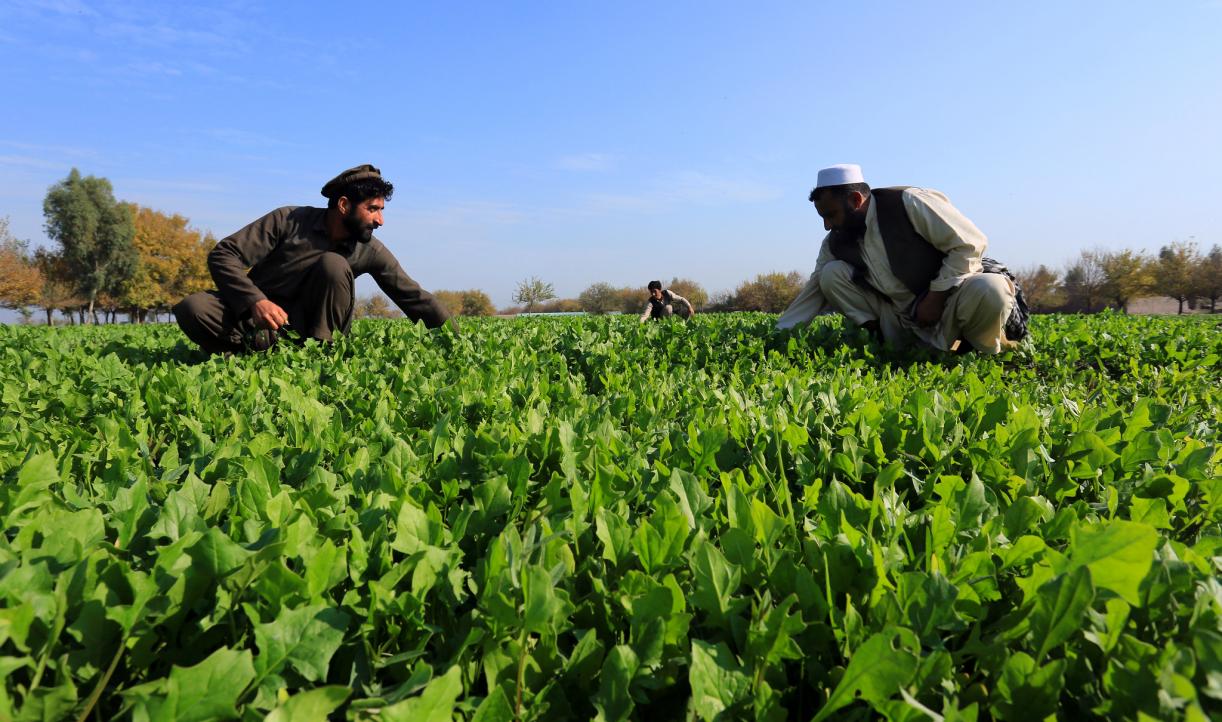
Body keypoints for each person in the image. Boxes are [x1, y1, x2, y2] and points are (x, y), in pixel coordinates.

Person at [173, 164, 451, 353]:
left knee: (333, 263)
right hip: (260, 325)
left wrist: (456, 342)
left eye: (381, 210)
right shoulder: (288, 220)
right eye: (373, 209)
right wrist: (255, 301)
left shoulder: (370, 250)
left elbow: (414, 298)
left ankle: (321, 356)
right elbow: (225, 255)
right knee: (193, 307)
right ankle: (246, 353)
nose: (380, 220)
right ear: (344, 205)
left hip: (314, 334)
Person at [775, 164, 1023, 354]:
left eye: (831, 215)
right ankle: (889, 345)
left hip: (948, 304)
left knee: (991, 288)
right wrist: (778, 335)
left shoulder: (910, 202)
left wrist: (936, 296)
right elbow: (815, 288)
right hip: (899, 319)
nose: (827, 225)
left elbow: (970, 244)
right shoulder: (836, 241)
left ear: (856, 200)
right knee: (830, 274)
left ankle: (976, 351)